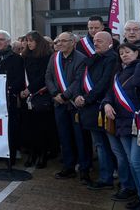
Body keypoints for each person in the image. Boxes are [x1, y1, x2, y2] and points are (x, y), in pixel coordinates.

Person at [102, 43, 140, 210]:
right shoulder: (119, 72)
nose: (124, 55)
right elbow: (111, 93)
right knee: (131, 161)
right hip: (122, 123)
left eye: (128, 52)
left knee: (137, 161)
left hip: (139, 123)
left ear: (136, 53)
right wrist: (106, 104)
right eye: (121, 53)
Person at [74, 31, 119, 190]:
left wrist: (87, 98)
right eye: (94, 40)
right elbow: (80, 80)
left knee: (111, 147)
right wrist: (78, 95)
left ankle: (110, 178)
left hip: (101, 108)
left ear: (110, 43)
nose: (96, 43)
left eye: (100, 40)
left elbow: (104, 83)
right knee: (100, 145)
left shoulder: (112, 59)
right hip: (89, 109)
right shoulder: (91, 59)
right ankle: (105, 177)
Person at [45, 32, 91, 183]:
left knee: (80, 138)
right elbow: (49, 77)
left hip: (74, 105)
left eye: (64, 41)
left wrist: (65, 95)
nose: (60, 44)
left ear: (72, 42)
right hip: (59, 104)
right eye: (59, 41)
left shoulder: (82, 59)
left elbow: (79, 80)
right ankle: (68, 167)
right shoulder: (54, 57)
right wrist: (55, 93)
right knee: (64, 137)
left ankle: (84, 170)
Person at [0, 30, 25, 165]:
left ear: (8, 42)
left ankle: (11, 154)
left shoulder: (16, 58)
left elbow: (20, 79)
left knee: (11, 128)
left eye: (1, 39)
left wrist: (8, 89)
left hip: (9, 98)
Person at [20, 30, 53, 168]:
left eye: (31, 41)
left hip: (41, 94)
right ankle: (32, 154)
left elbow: (44, 76)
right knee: (30, 128)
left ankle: (42, 155)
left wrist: (30, 89)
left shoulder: (47, 56)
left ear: (38, 42)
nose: (29, 43)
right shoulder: (26, 56)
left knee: (42, 128)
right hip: (28, 96)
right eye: (27, 41)